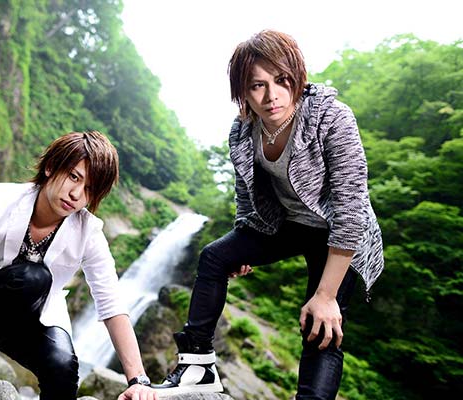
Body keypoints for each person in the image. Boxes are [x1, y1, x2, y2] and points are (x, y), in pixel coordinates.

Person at [153, 30, 384, 399]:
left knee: (320, 325)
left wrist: (326, 296)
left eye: (281, 80)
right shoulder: (243, 130)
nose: (271, 95)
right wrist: (243, 245)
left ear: (297, 76)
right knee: (214, 257)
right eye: (257, 85)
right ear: (242, 92)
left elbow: (351, 208)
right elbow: (247, 194)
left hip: (338, 235)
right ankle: (197, 365)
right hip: (286, 223)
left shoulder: (331, 117)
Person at [0, 131, 157, 400]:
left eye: (89, 189)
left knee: (63, 367)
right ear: (51, 167)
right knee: (33, 276)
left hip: (34, 318)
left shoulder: (89, 232)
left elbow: (111, 305)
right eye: (74, 177)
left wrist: (138, 380)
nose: (76, 194)